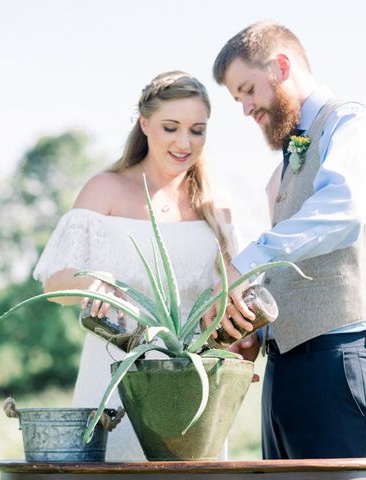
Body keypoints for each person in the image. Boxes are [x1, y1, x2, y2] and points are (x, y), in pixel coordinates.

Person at [205, 22, 366, 459]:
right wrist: (259, 329)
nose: (246, 109)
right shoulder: (287, 158)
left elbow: (343, 211)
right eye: (238, 99)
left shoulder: (350, 122)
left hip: (344, 361)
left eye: (248, 90)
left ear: (280, 66)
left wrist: (246, 265)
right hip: (286, 367)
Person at [33, 71, 237, 461]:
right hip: (113, 377)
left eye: (197, 130)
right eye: (171, 127)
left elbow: (232, 292)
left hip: (193, 391)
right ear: (144, 124)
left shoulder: (216, 201)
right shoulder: (104, 189)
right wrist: (96, 283)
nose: (184, 142)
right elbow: (54, 282)